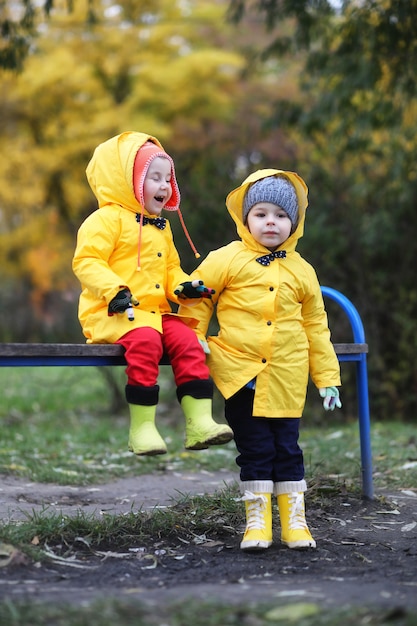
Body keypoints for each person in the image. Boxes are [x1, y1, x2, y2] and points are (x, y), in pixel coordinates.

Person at [179, 169, 342, 551]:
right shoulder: (226, 259)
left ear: (294, 223)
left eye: (281, 215)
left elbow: (317, 327)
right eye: (262, 213)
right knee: (255, 448)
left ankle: (294, 522)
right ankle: (257, 522)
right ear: (246, 218)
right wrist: (194, 339)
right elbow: (197, 297)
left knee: (288, 447)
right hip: (241, 372)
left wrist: (327, 378)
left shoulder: (303, 271)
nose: (272, 221)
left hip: (286, 374)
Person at [72, 131, 233, 456]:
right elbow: (87, 262)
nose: (164, 186)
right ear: (125, 181)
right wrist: (114, 291)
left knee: (188, 339)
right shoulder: (104, 221)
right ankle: (142, 428)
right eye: (154, 178)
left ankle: (199, 422)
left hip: (155, 314)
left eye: (167, 179)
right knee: (145, 340)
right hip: (113, 312)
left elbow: (170, 269)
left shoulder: (161, 226)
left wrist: (183, 287)